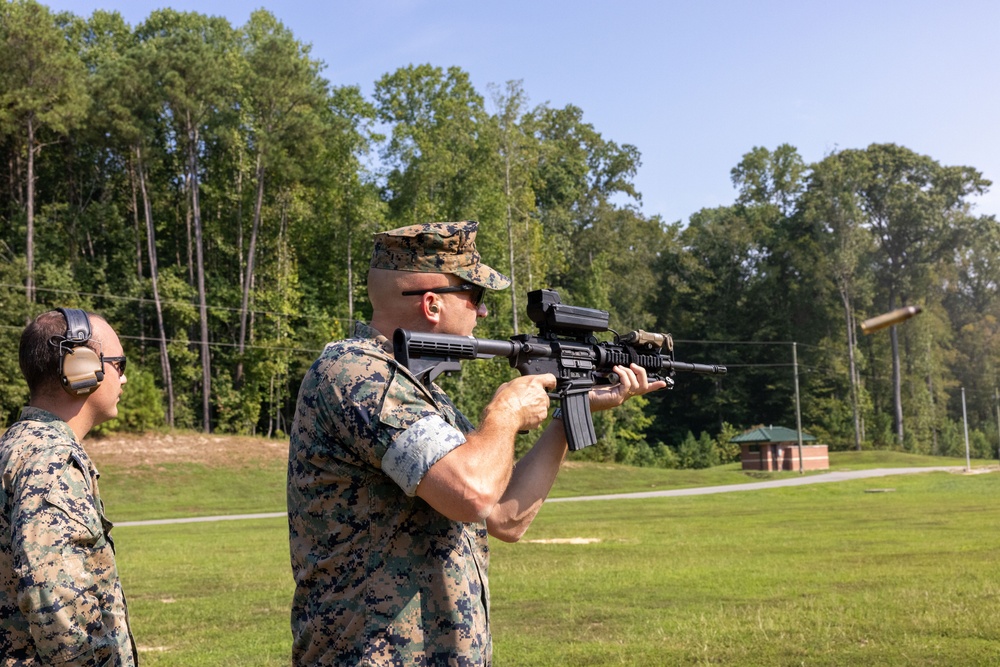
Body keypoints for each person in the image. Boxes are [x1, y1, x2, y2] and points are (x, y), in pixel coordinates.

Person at [287, 221, 666, 666]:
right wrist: (505, 412)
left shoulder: (418, 392)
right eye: (476, 296)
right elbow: (471, 493)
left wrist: (567, 417)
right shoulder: (356, 374)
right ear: (432, 304)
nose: (482, 313)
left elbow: (505, 516)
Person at [0, 308, 138, 666]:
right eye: (118, 365)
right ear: (81, 367)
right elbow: (55, 598)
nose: (123, 379)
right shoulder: (51, 459)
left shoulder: (15, 446)